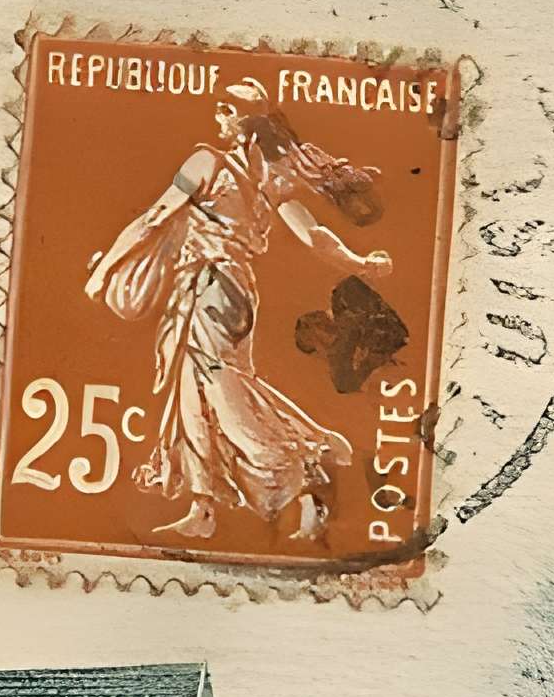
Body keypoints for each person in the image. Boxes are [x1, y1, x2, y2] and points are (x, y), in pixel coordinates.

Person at [82, 78, 392, 543]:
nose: (217, 118)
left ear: (245, 124)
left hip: (209, 288)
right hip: (237, 293)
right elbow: (313, 236)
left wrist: (104, 270)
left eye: (225, 110)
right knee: (203, 392)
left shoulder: (207, 162)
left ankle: (297, 464)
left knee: (220, 398)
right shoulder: (274, 180)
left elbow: (154, 217)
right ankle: (204, 505)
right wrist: (358, 262)